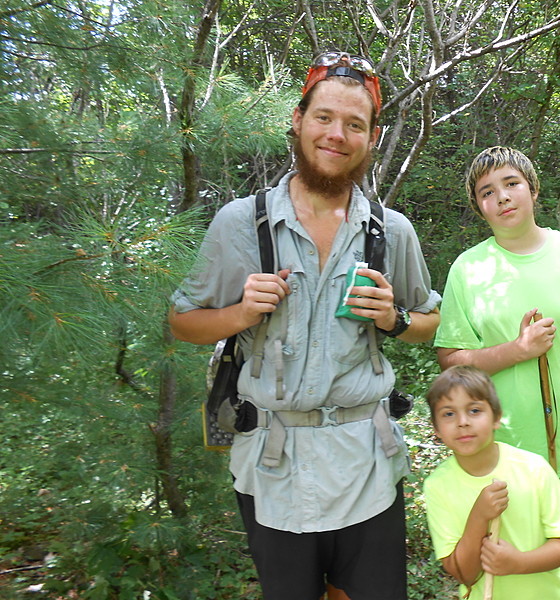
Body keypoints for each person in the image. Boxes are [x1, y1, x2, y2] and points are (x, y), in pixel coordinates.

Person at [169, 51, 441, 600]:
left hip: (366, 460)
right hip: (273, 466)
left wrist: (395, 318)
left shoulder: (391, 232)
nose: (336, 134)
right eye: (324, 117)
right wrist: (241, 314)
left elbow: (430, 322)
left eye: (354, 124)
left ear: (373, 136)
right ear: (298, 120)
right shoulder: (240, 224)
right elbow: (183, 321)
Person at [434, 147, 560, 599]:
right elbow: (451, 359)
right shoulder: (468, 269)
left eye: (511, 184)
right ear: (477, 206)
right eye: (488, 191)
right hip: (502, 451)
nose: (502, 197)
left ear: (533, 189)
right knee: (513, 566)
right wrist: (517, 350)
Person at [423, 365, 560, 599]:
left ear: (496, 418)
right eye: (448, 414)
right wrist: (478, 516)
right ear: (436, 428)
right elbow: (464, 574)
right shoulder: (437, 486)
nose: (463, 422)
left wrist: (519, 563)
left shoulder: (533, 468)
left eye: (475, 410)